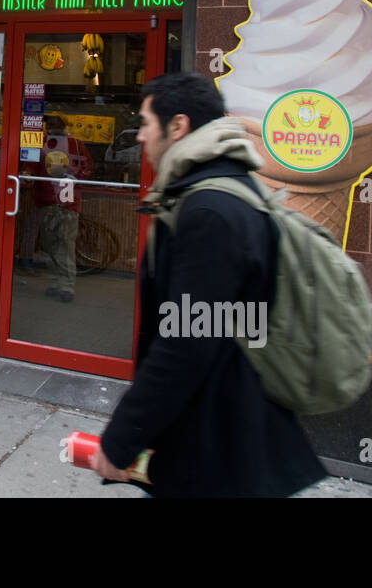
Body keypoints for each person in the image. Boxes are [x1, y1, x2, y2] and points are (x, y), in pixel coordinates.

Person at [91, 72, 326, 497]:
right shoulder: (224, 188)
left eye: (145, 123)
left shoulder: (209, 209)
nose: (141, 136)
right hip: (226, 432)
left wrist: (123, 437)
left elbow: (187, 342)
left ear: (177, 126)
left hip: (218, 446)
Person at [30, 115, 92, 301]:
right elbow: (31, 166)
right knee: (50, 244)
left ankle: (66, 286)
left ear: (64, 126)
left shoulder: (76, 144)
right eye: (50, 124)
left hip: (67, 199)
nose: (52, 127)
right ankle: (56, 281)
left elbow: (87, 166)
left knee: (65, 243)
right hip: (46, 199)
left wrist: (76, 177)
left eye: (56, 124)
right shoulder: (41, 143)